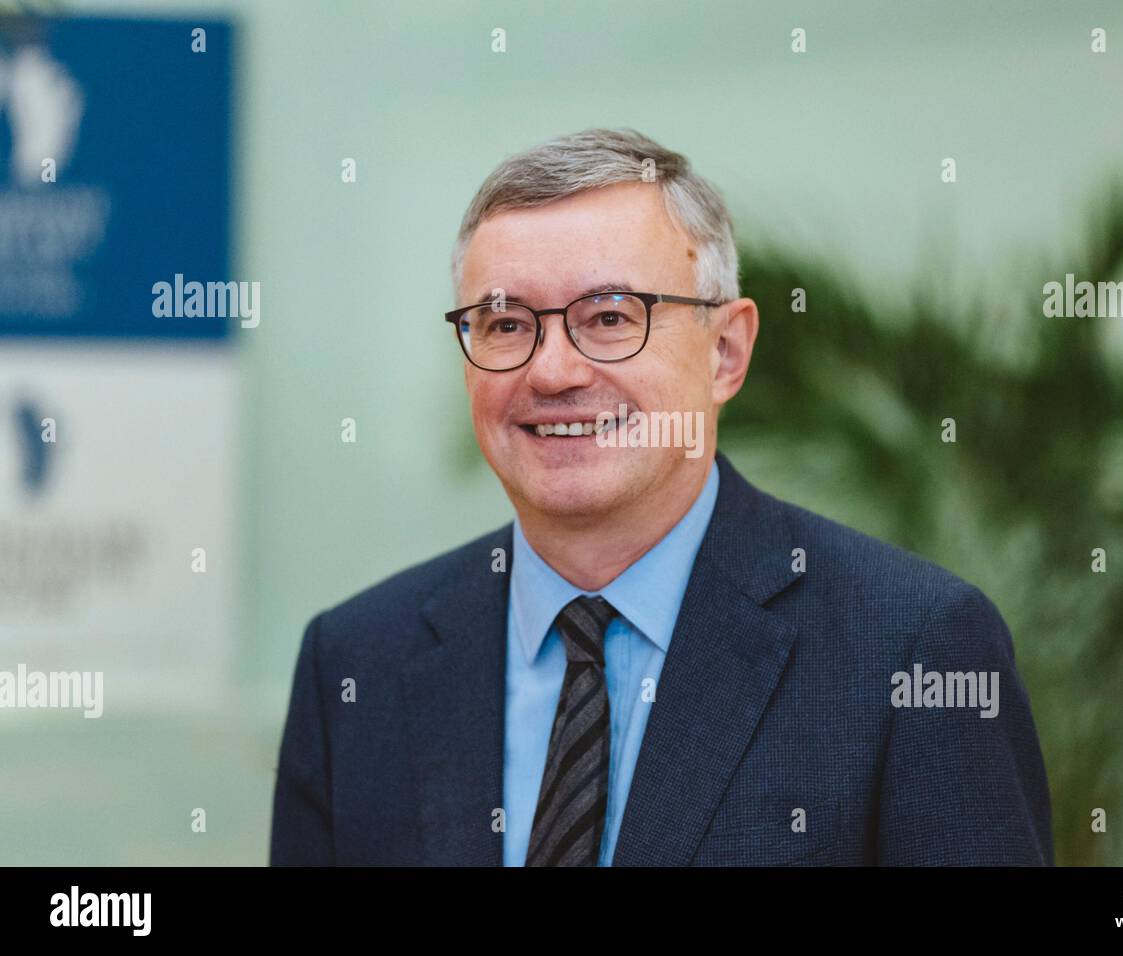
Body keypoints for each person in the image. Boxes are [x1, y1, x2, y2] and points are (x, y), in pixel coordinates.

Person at [270, 127, 1053, 866]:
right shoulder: (355, 664)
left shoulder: (909, 648)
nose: (553, 372)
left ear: (726, 351)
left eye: (610, 317)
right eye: (506, 324)